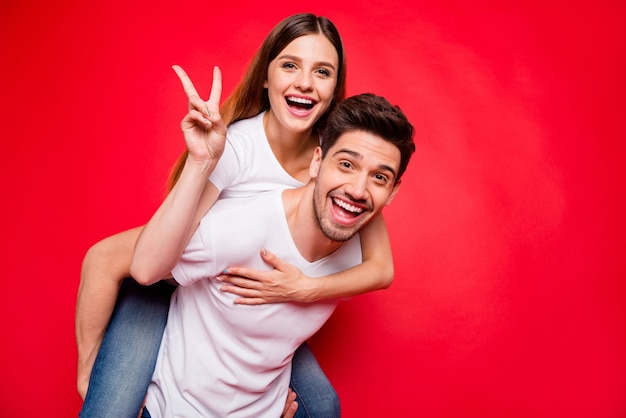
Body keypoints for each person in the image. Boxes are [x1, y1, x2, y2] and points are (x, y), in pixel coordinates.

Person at [76, 13, 395, 418]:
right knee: (110, 404)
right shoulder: (234, 149)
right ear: (266, 76)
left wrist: (301, 290)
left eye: (322, 71)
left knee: (323, 407)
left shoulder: (341, 163)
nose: (304, 82)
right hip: (174, 288)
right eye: (290, 65)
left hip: (251, 307)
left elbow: (381, 269)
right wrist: (89, 368)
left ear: (334, 89)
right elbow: (139, 260)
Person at [131, 91, 416, 417]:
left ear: (392, 192)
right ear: (317, 161)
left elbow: (383, 273)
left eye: (379, 177)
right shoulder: (241, 226)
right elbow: (143, 270)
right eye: (346, 165)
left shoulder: (356, 255)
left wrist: (305, 289)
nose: (357, 189)